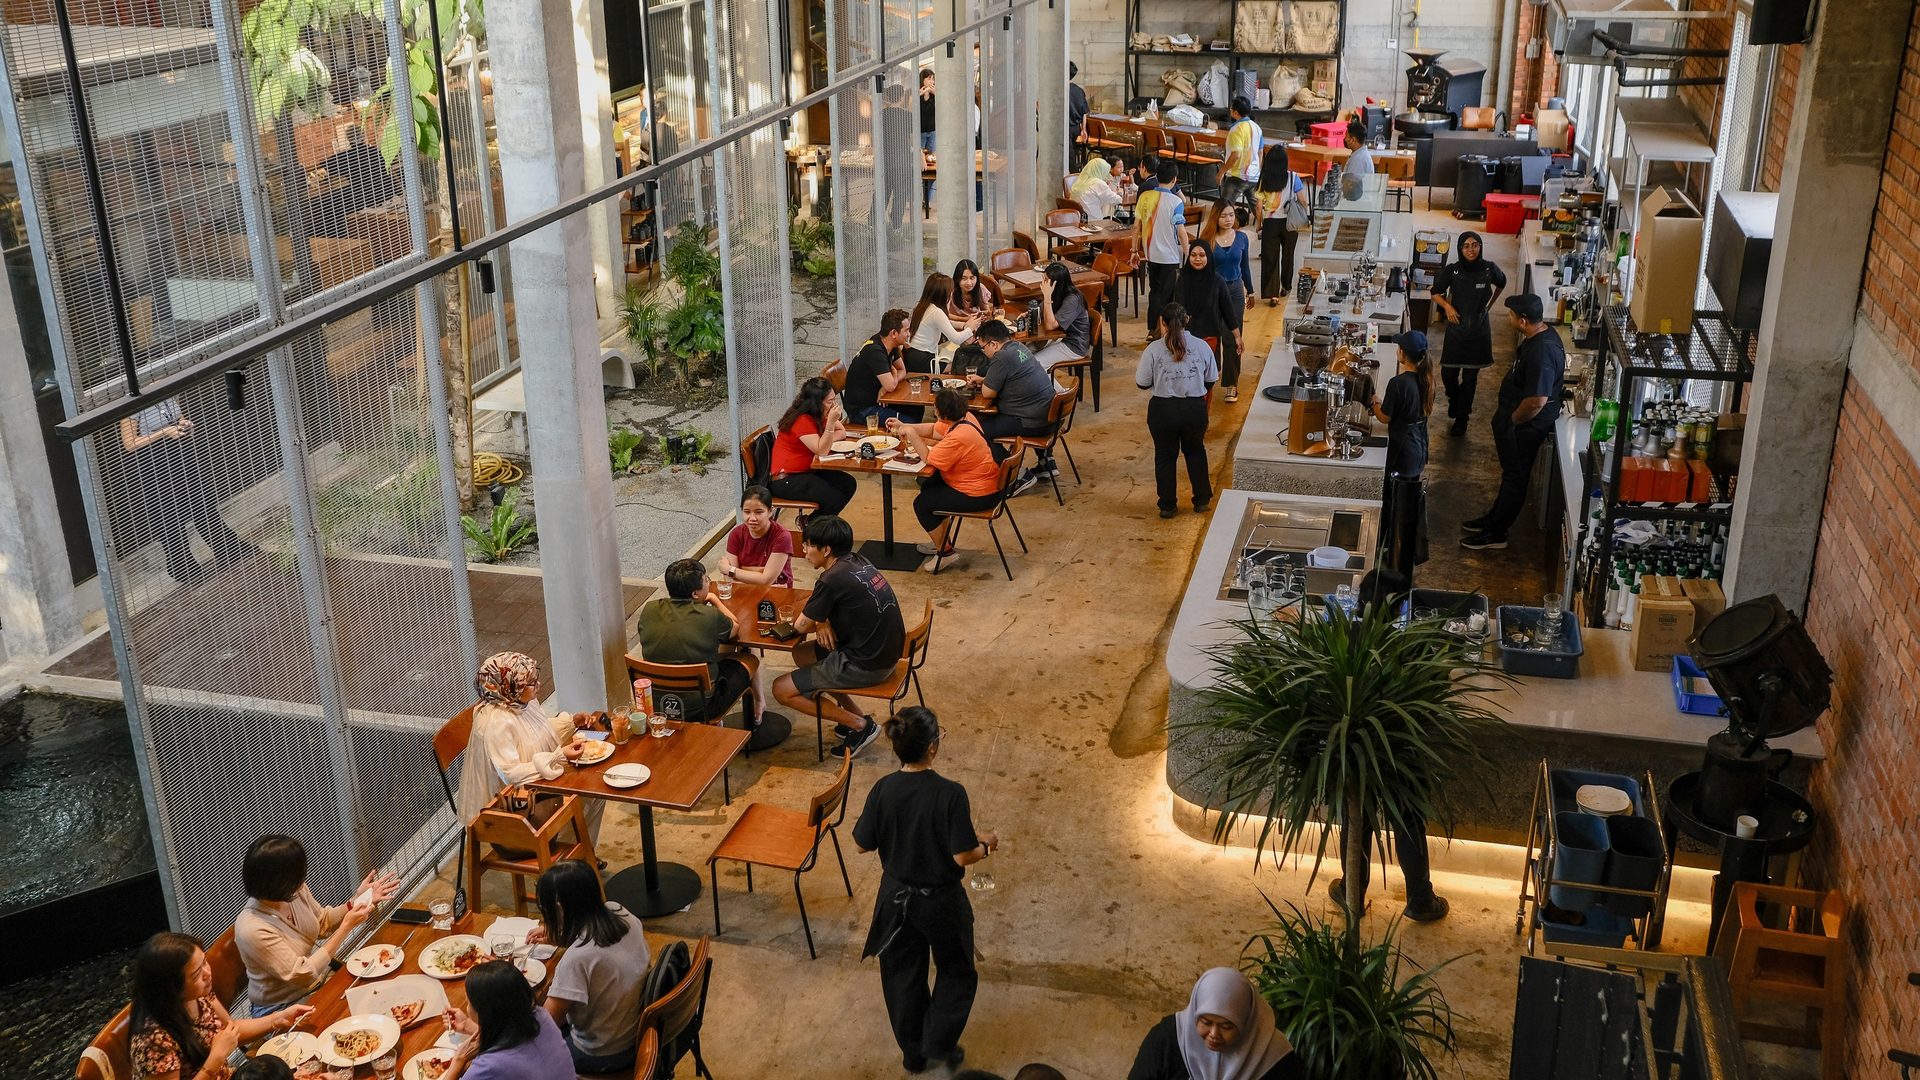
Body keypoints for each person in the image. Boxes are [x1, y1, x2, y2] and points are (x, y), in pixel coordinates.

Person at [853, 707, 997, 1075]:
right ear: (932, 748)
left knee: (902, 976)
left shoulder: (883, 789)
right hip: (941, 902)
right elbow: (962, 854)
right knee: (957, 971)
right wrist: (987, 846)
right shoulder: (950, 794)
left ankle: (914, 1054)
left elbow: (861, 845)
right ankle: (937, 1042)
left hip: (895, 900)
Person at [771, 515, 906, 759]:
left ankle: (861, 727)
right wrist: (823, 621)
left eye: (808, 545)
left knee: (781, 689)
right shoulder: (857, 560)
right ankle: (856, 716)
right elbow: (836, 603)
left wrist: (817, 620)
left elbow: (800, 626)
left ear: (826, 549)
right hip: (884, 652)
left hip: (867, 664)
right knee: (801, 654)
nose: (804, 551)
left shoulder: (831, 579)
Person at [234, 835, 399, 1014]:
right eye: (299, 874)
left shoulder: (292, 893)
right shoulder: (252, 929)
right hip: (282, 1007)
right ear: (280, 881)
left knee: (386, 995)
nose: (304, 878)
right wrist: (345, 928)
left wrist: (357, 901)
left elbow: (322, 922)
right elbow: (302, 974)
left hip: (318, 982)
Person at [454, 652, 604, 840]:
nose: (538, 685)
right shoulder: (496, 723)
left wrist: (572, 723)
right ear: (509, 686)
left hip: (532, 784)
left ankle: (579, 857)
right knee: (589, 794)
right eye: (530, 683)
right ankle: (565, 860)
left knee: (594, 788)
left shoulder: (521, 701)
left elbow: (537, 731)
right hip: (511, 805)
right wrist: (558, 757)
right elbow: (511, 775)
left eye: (535, 678)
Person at [1462, 294, 1567, 551]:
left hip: (1525, 427)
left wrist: (1512, 422)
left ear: (1522, 321)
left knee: (1515, 478)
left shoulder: (1543, 352)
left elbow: (1537, 400)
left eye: (1510, 315)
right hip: (1515, 421)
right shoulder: (1540, 336)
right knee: (1510, 476)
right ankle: (1493, 518)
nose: (1507, 317)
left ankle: (1497, 533)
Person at [129, 931, 308, 1080]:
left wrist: (277, 1019)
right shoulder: (153, 1040)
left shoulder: (198, 994)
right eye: (197, 974)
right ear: (171, 988)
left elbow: (230, 1029)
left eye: (204, 961)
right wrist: (215, 1060)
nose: (208, 973)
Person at [119, 397, 259, 585]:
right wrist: (163, 433)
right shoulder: (133, 404)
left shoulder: (168, 393)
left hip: (180, 455)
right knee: (169, 514)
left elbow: (179, 418)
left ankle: (227, 548)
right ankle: (181, 565)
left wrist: (184, 425)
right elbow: (129, 444)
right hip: (153, 462)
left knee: (202, 503)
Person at [530, 860, 651, 1073]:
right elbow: (599, 949)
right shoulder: (620, 912)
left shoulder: (577, 960)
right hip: (636, 1029)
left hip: (604, 1053)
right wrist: (562, 935)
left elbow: (544, 1027)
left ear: (559, 908)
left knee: (527, 1056)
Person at [637, 558, 763, 725]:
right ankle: (751, 712)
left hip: (658, 702)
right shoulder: (709, 616)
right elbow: (735, 628)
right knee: (749, 659)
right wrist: (713, 599)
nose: (708, 583)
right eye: (706, 580)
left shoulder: (649, 610)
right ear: (695, 594)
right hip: (702, 707)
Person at [1128, 967, 1304, 1080]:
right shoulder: (1167, 1039)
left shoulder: (1275, 1059)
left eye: (1227, 1026)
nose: (1214, 1034)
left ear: (1246, 1021)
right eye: (1205, 1022)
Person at [888, 389, 1002, 559]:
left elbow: (928, 457)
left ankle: (945, 552)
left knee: (922, 504)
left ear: (941, 413)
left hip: (979, 494)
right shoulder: (965, 418)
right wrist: (904, 426)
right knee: (928, 484)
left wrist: (910, 433)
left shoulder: (958, 436)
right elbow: (934, 429)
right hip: (986, 483)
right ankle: (941, 540)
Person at [1136, 303, 1218, 519]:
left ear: (1162, 322)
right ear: (1187, 320)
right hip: (1194, 409)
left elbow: (1142, 383)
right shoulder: (1202, 346)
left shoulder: (1153, 349)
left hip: (1163, 410)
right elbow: (1211, 379)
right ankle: (1201, 500)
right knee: (1195, 451)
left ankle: (1167, 505)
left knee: (1165, 456)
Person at [1429, 231, 1508, 435]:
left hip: (1478, 331)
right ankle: (1454, 399)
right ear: (1460, 249)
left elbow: (1502, 283)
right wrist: (1447, 307)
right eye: (1466, 246)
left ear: (1480, 247)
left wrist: (1489, 306)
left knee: (1470, 379)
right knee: (1448, 374)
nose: (1471, 249)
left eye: (1475, 245)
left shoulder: (1489, 269)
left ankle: (1462, 419)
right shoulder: (1452, 271)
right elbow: (1435, 293)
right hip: (1456, 330)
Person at [441, 960, 575, 1080]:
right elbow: (511, 1039)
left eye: (469, 1003)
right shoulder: (540, 1015)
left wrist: (458, 1060)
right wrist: (467, 1025)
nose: (467, 1008)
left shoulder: (489, 1066)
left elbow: (503, 1056)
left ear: (485, 1012)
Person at [969, 319, 1060, 495]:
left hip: (1032, 422)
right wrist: (984, 380)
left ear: (993, 343)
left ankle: (1017, 477)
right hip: (1050, 416)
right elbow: (1011, 377)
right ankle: (1046, 462)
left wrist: (984, 384)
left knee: (977, 430)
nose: (983, 352)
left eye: (983, 347)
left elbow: (988, 394)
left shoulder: (1001, 357)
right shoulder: (1018, 347)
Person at [1370, 331, 1434, 568]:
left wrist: (1374, 401)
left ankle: (1393, 552)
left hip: (1403, 451)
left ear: (1402, 354)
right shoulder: (1427, 378)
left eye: (1399, 347)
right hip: (1418, 446)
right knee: (1408, 500)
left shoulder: (1398, 383)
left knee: (1395, 502)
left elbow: (1385, 418)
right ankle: (1404, 546)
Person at [767, 377, 857, 515]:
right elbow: (822, 450)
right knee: (832, 498)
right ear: (817, 403)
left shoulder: (820, 412)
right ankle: (816, 529)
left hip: (808, 471)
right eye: (830, 401)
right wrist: (830, 425)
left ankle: (812, 523)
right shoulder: (801, 419)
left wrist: (825, 436)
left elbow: (842, 432)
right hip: (787, 479)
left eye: (834, 399)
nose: (834, 405)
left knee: (848, 484)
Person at [1173, 242, 1241, 403]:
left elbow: (1228, 311)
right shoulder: (1182, 278)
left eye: (1202, 255)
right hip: (1186, 340)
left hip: (1209, 338)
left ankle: (1201, 417)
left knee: (1204, 382)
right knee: (1187, 379)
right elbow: (1177, 309)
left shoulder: (1217, 281)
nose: (1197, 259)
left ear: (1209, 258)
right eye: (1194, 255)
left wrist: (1237, 336)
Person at [1199, 204, 1253, 401]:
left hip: (1236, 291)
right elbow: (1200, 269)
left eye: (1231, 215)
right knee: (1212, 335)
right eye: (1224, 216)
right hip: (1213, 292)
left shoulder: (1242, 238)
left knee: (1233, 335)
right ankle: (1211, 375)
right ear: (1215, 218)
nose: (1229, 219)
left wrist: (1251, 291)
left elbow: (1245, 267)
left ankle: (1232, 383)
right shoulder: (1207, 240)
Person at [1135, 158, 1189, 340]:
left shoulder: (1144, 197)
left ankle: (1152, 330)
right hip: (1170, 257)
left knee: (1155, 293)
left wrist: (1134, 251)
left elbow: (1136, 227)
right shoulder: (1176, 202)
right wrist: (1188, 254)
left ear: (1157, 177)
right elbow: (1181, 233)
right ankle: (1163, 333)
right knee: (1168, 297)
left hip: (1151, 255)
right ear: (1174, 180)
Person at [1254, 145, 1305, 307]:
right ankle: (1286, 286)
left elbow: (1258, 205)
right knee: (1288, 255)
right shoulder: (1293, 177)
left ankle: (1272, 294)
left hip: (1270, 222)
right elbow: (1303, 200)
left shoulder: (1264, 179)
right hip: (1289, 223)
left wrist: (1259, 223)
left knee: (1270, 258)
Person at [845, 309, 915, 422]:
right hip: (862, 410)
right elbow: (891, 386)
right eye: (906, 331)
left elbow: (902, 370)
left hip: (877, 401)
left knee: (915, 409)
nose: (909, 334)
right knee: (909, 422)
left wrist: (885, 388)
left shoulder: (890, 344)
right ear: (893, 333)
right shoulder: (875, 351)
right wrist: (894, 375)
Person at [719, 485, 794, 587]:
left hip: (777, 594)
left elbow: (766, 580)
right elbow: (731, 580)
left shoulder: (782, 537)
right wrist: (760, 573)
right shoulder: (736, 534)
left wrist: (730, 570)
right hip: (744, 593)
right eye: (747, 512)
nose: (752, 518)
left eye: (759, 512)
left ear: (770, 511)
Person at [909, 274, 982, 372]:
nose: (952, 294)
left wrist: (963, 325)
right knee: (966, 364)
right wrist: (971, 328)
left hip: (911, 356)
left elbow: (944, 323)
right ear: (944, 294)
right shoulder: (936, 312)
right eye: (950, 291)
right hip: (924, 361)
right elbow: (957, 339)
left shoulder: (921, 306)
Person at [1034, 261, 1092, 371]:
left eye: (1046, 280)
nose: (1043, 283)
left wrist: (1047, 297)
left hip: (1073, 345)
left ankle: (1059, 389)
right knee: (1023, 355)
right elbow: (1041, 309)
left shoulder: (1072, 300)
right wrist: (1029, 313)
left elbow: (1050, 325)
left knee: (1036, 364)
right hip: (1058, 338)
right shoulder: (1057, 293)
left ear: (1056, 283)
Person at [1219, 96, 1263, 208]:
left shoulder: (1236, 130)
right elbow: (1260, 152)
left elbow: (1235, 155)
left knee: (1224, 207)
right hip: (1253, 176)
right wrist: (1258, 170)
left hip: (1236, 176)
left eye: (1231, 109)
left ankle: (1222, 225)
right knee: (1257, 209)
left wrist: (1221, 172)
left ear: (1236, 112)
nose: (1230, 110)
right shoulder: (1257, 128)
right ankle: (1262, 225)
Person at [1068, 156, 1123, 221]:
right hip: (1093, 221)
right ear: (1101, 171)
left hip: (1076, 219)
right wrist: (1119, 193)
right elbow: (1117, 200)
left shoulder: (1080, 181)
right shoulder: (1098, 183)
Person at [1340, 119, 1374, 201]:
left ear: (1353, 140)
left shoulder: (1358, 159)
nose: (1345, 139)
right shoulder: (1359, 154)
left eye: (1346, 136)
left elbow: (1349, 186)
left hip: (1358, 202)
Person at [919, 68, 938, 209]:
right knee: (920, 166)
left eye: (932, 78)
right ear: (922, 80)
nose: (931, 81)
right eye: (928, 78)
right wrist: (923, 92)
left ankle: (927, 200)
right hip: (919, 134)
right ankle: (919, 196)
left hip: (932, 133)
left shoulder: (935, 94)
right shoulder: (917, 94)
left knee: (932, 166)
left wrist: (933, 92)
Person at [1068, 62, 1090, 151]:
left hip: (1065, 128)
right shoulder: (1079, 91)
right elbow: (1084, 113)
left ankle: (1072, 165)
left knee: (1068, 156)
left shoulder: (1060, 90)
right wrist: (1083, 129)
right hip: (1076, 129)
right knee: (1072, 153)